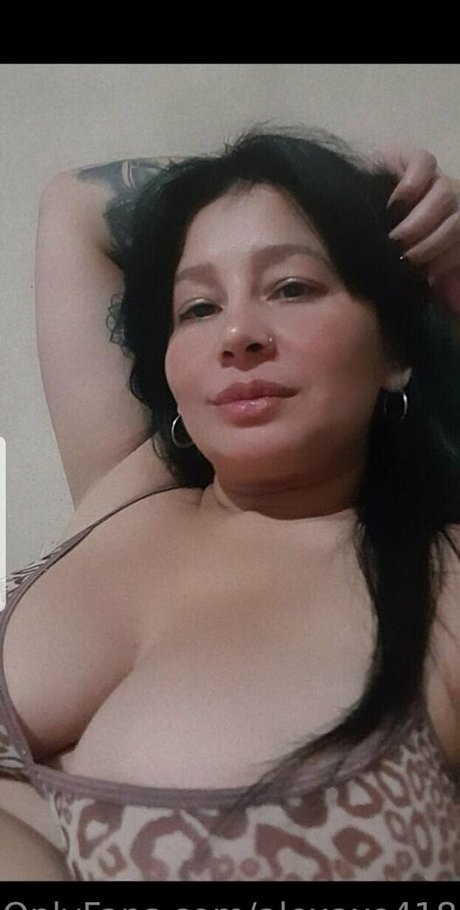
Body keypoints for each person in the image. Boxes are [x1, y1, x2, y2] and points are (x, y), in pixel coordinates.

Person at [0, 127, 459, 882]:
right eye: (199, 307)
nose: (238, 333)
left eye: (292, 287)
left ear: (395, 351)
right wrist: (347, 185)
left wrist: (397, 222)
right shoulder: (133, 484)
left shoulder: (442, 584)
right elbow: (76, 203)